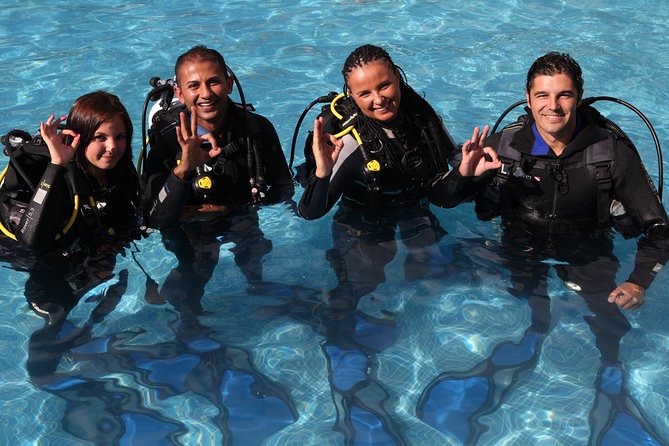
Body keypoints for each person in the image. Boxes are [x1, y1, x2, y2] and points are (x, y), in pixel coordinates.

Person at [418, 52, 669, 445]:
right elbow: (440, 201)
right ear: (528, 97)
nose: (553, 106)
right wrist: (464, 177)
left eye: (564, 95)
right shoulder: (505, 147)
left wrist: (638, 282)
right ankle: (532, 338)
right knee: (526, 304)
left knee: (607, 322)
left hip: (588, 250)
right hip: (521, 245)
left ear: (580, 98)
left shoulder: (611, 155)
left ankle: (611, 378)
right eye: (543, 95)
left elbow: (659, 229)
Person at [297, 44, 500, 445]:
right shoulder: (350, 142)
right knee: (362, 283)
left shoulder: (419, 114)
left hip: (412, 207)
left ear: (398, 76)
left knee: (437, 271)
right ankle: (347, 378)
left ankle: (421, 355)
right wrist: (323, 171)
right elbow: (311, 212)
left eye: (385, 85)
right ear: (351, 96)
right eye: (364, 94)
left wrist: (465, 172)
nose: (379, 99)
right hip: (362, 219)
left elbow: (440, 195)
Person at [141, 45, 294, 298]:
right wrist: (184, 170)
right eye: (194, 86)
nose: (205, 94)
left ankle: (259, 289)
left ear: (229, 83)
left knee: (255, 251)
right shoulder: (167, 140)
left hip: (241, 212)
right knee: (197, 266)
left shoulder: (257, 128)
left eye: (213, 82)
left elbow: (283, 188)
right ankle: (186, 321)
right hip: (188, 227)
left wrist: (233, 209)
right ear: (179, 91)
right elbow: (153, 219)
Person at [0, 90, 142, 324]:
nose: (112, 147)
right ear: (82, 138)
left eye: (120, 136)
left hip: (85, 255)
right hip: (32, 260)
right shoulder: (63, 177)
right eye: (100, 137)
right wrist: (56, 166)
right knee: (56, 326)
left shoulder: (120, 172)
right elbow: (31, 241)